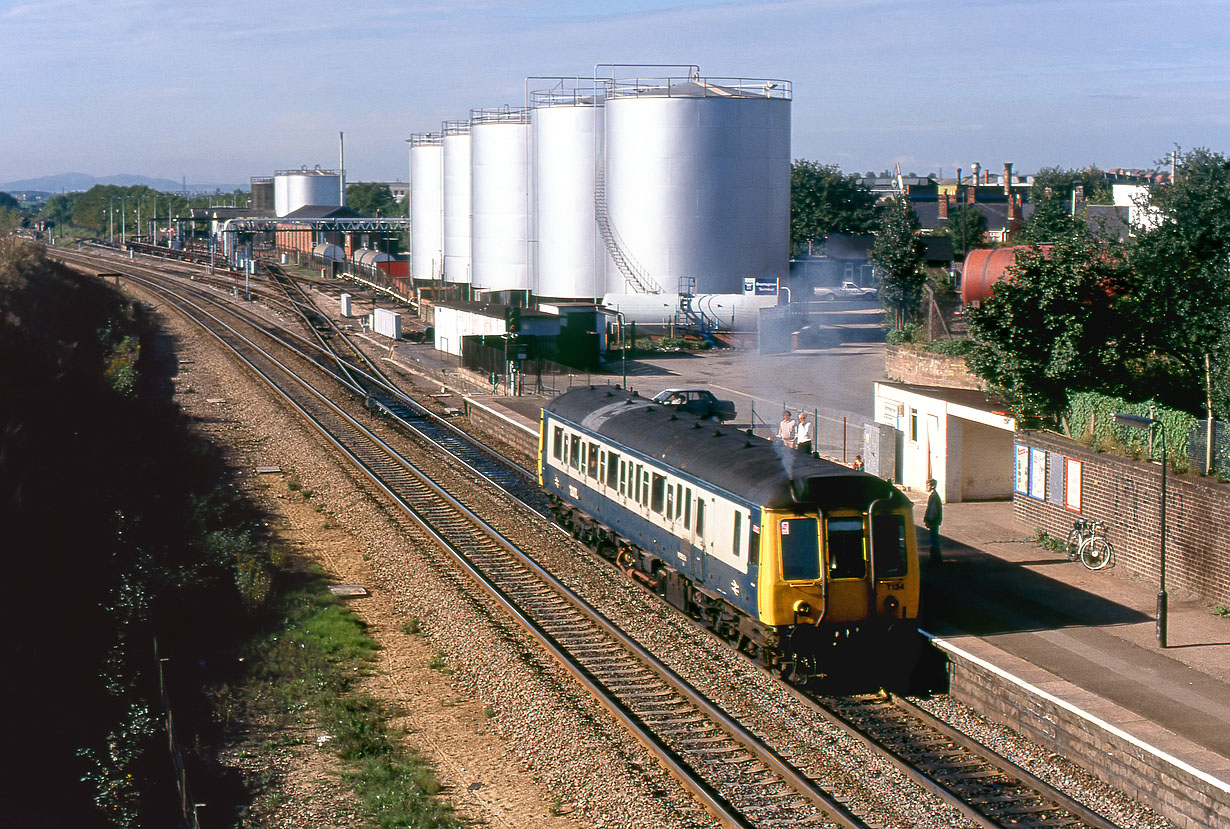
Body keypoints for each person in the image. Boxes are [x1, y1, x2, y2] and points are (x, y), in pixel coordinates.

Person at [924, 478, 943, 565]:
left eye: (928, 485)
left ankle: (935, 560)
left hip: (933, 522)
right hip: (934, 521)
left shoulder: (934, 496)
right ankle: (936, 559)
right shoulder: (933, 495)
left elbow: (933, 511)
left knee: (934, 541)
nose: (926, 487)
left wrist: (929, 521)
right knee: (934, 540)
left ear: (932, 486)